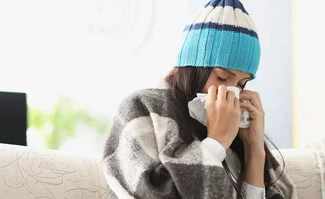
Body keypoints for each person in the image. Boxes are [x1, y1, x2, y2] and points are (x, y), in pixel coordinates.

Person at [102, 0, 297, 198]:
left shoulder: (239, 136)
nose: (231, 93)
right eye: (222, 77)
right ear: (192, 68)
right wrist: (217, 143)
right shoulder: (141, 108)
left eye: (241, 84)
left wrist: (254, 151)